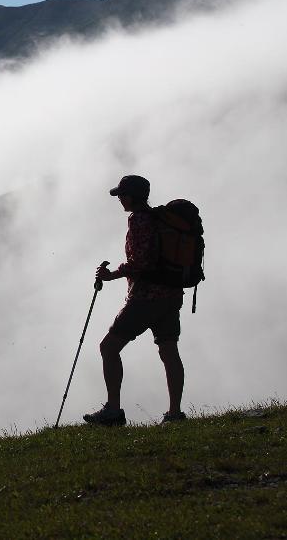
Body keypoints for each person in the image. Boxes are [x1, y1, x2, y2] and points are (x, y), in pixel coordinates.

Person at [83, 175, 187, 426]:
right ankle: (175, 414)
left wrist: (111, 275)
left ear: (131, 196)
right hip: (172, 295)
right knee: (169, 349)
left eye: (122, 194)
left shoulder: (139, 220)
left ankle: (113, 411)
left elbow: (141, 262)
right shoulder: (158, 219)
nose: (119, 199)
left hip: (146, 298)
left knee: (108, 347)